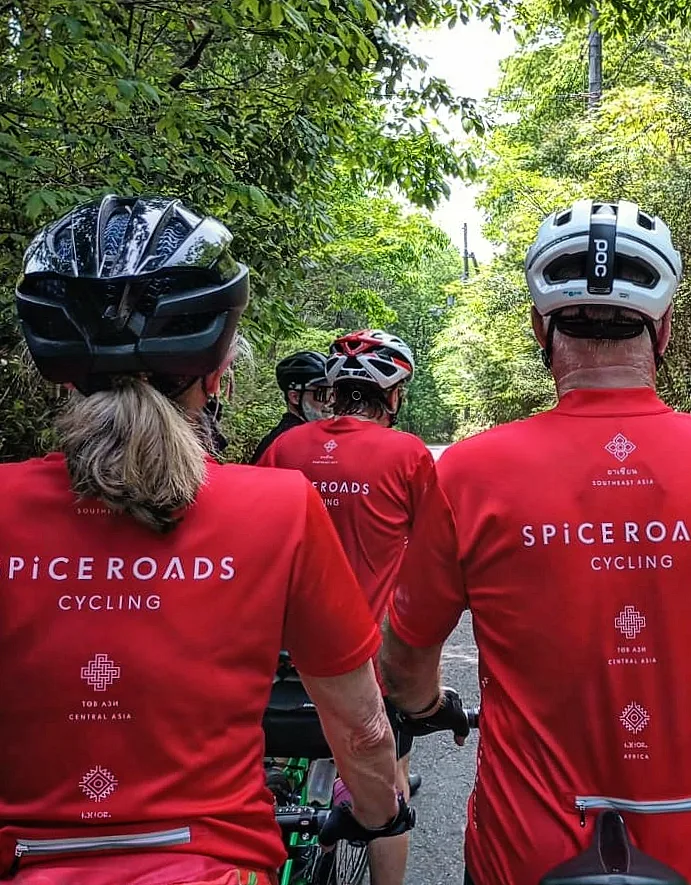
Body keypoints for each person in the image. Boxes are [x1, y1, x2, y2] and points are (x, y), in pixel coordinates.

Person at [380, 199, 691, 885]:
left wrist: (422, 706)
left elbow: (406, 653)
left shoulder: (470, 472)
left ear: (539, 326)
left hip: (523, 847)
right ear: (664, 329)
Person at [0, 195, 412, 885]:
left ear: (57, 369)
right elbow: (362, 726)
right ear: (218, 370)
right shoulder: (278, 506)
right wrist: (378, 811)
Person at [256, 329, 435, 885]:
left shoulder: (285, 448)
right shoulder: (407, 453)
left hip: (274, 659)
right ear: (394, 394)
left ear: (332, 391)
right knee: (391, 792)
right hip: (363, 661)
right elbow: (435, 563)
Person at [249, 350, 333, 463]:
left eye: (334, 393)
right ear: (295, 397)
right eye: (322, 393)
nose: (331, 401)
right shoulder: (282, 442)